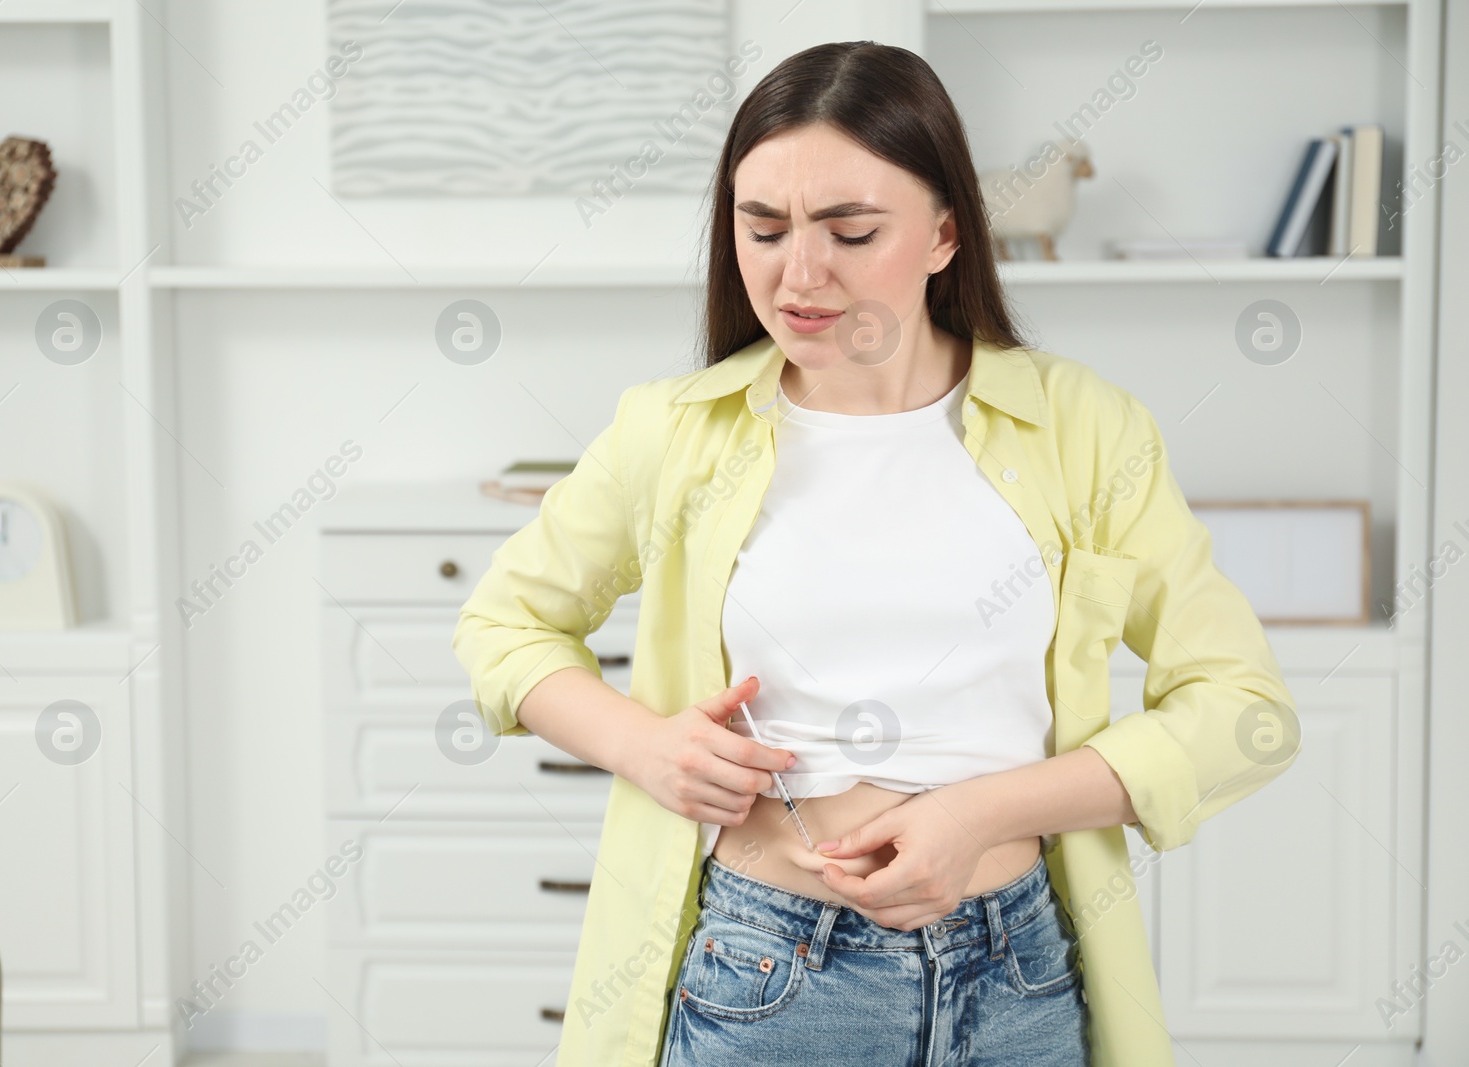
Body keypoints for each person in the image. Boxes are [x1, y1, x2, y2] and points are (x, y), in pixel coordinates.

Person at [454, 40, 1299, 1067]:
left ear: (946, 232)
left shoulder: (1086, 431)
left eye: (850, 231)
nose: (796, 273)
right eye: (761, 227)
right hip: (769, 978)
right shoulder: (672, 433)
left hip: (1019, 975)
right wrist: (644, 744)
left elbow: (1244, 710)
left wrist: (981, 809)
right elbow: (504, 623)